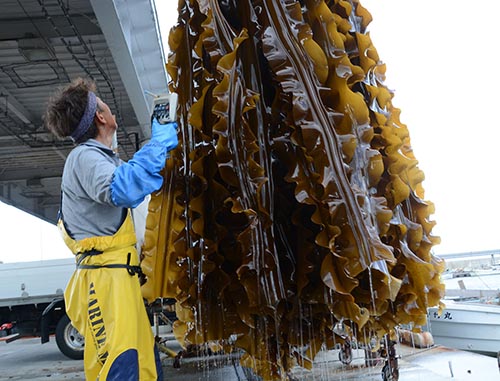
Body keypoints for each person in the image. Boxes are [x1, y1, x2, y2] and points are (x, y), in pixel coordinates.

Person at [44, 77, 178, 380]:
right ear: (100, 116)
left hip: (118, 278)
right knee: (121, 366)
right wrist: (157, 144)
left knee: (142, 364)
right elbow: (123, 188)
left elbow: (128, 181)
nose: (110, 107)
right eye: (104, 102)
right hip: (104, 284)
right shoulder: (84, 157)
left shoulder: (101, 159)